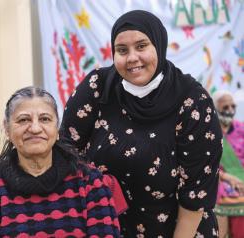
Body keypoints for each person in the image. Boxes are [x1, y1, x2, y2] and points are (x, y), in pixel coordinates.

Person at [60, 10, 222, 237]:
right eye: (122, 50)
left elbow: (196, 192)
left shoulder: (192, 100)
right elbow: (66, 152)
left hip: (179, 229)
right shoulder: (98, 87)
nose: (132, 58)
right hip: (106, 228)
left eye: (141, 46)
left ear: (159, 44)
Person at [0, 86, 121, 237]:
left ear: (57, 127)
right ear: (7, 129)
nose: (35, 128)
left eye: (45, 119)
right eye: (24, 120)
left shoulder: (89, 182)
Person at [212, 90, 244, 238]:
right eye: (225, 107)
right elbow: (206, 164)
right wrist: (228, 178)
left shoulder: (241, 128)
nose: (230, 110)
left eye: (233, 106)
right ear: (215, 108)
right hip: (221, 181)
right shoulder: (209, 133)